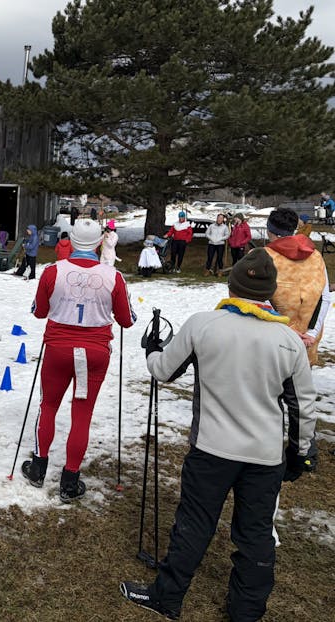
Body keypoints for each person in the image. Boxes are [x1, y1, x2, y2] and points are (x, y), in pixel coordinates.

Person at [121, 248, 317, 621]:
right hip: (264, 455)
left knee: (194, 524)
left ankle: (168, 597)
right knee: (255, 535)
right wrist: (300, 452)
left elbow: (163, 371)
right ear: (269, 294)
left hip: (211, 448)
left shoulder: (203, 324)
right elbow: (302, 407)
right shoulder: (288, 340)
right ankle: (246, 611)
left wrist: (151, 351)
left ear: (232, 284)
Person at [20, 219, 134, 501]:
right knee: (82, 413)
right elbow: (127, 320)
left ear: (71, 240)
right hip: (94, 352)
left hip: (58, 349)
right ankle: (70, 481)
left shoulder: (53, 271)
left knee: (48, 405)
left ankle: (38, 467)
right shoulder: (113, 276)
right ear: (98, 243)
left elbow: (38, 312)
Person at [263, 207, 331, 369]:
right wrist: (311, 333)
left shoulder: (262, 256)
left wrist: (285, 330)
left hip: (273, 336)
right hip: (308, 338)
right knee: (298, 385)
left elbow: (255, 298)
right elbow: (325, 297)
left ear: (269, 230)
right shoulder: (315, 256)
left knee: (271, 384)